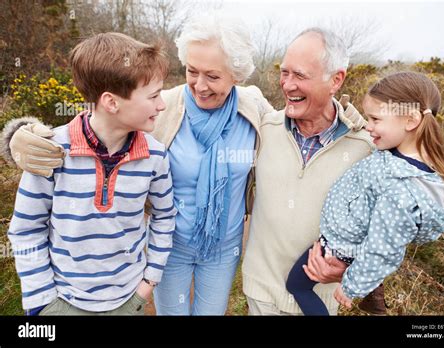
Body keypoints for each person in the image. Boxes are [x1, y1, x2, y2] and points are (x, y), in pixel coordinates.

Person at [2, 12, 274, 315]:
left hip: (224, 245)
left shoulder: (254, 108)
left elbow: (295, 130)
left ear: (236, 75)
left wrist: (337, 113)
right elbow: (100, 120)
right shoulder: (162, 105)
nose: (199, 85)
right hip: (172, 245)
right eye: (191, 71)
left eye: (213, 76)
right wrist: (20, 135)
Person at [7, 32, 177, 315]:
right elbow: (26, 228)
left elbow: (165, 216)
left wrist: (149, 281)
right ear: (111, 102)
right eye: (154, 96)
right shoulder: (49, 151)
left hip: (128, 301)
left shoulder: (155, 155)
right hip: (62, 303)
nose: (162, 105)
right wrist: (41, 302)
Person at [286, 71, 444, 315]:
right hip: (339, 240)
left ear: (410, 120)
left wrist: (352, 285)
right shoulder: (397, 154)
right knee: (298, 286)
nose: (369, 126)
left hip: (339, 249)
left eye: (376, 119)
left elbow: (383, 247)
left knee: (296, 286)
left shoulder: (402, 189)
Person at [242, 28, 373, 315]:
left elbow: (383, 228)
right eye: (284, 72)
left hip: (316, 301)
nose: (288, 85)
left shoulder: (365, 149)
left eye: (300, 76)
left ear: (336, 80)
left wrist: (349, 266)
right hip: (261, 295)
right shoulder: (263, 129)